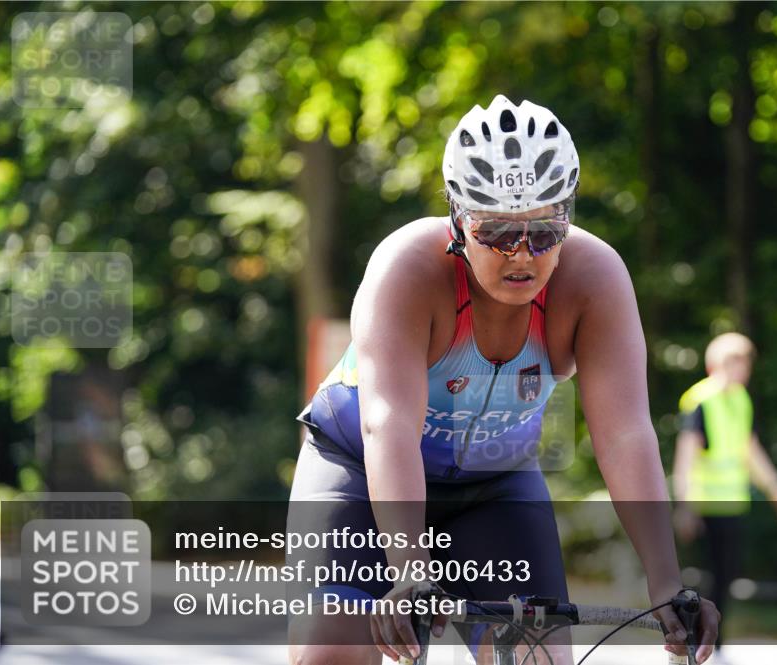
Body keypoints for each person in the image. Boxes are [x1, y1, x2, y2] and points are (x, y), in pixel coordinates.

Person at [288, 94, 720, 665]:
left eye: (543, 231)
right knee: (333, 651)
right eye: (496, 231)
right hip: (360, 470)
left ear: (567, 216)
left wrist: (666, 581)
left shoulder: (594, 279)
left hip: (495, 488)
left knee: (536, 659)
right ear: (457, 219)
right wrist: (410, 570)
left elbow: (625, 435)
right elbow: (388, 426)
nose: (522, 254)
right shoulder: (408, 269)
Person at [672, 332, 777, 664]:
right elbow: (686, 455)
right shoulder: (701, 399)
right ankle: (696, 642)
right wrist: (685, 506)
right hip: (705, 505)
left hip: (733, 503)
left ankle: (714, 643)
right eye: (733, 362)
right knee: (704, 577)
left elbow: (749, 451)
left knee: (727, 574)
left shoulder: (741, 399)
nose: (739, 370)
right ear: (713, 364)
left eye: (743, 364)